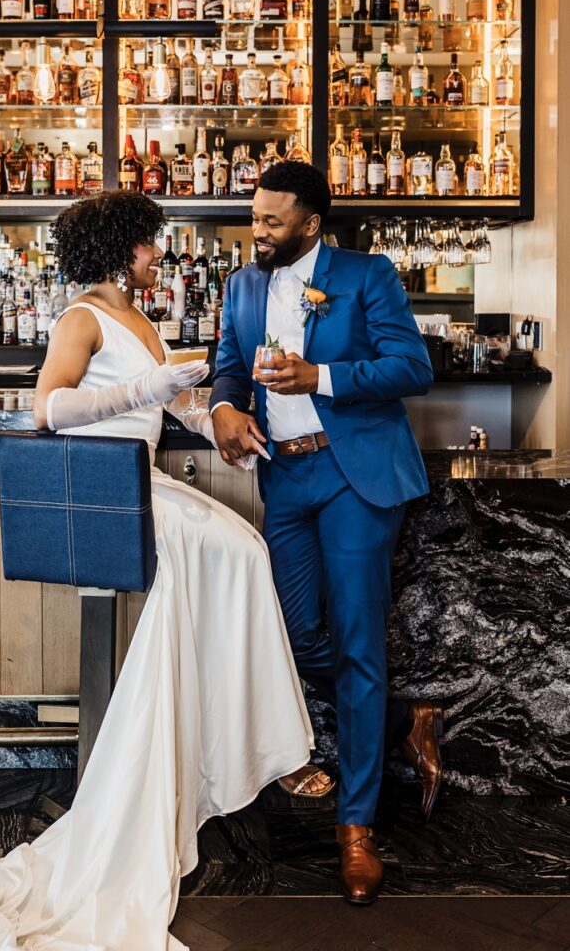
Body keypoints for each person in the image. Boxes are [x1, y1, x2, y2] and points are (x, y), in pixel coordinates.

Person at [0, 190, 319, 951]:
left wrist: (212, 417)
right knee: (232, 551)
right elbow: (48, 409)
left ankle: (238, 740)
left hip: (146, 478)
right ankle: (235, 747)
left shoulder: (138, 314)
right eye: (147, 243)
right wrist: (148, 387)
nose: (157, 253)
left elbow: (166, 405)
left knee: (243, 549)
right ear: (117, 245)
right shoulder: (82, 317)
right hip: (108, 487)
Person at [210, 161, 444, 906]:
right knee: (297, 635)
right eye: (255, 217)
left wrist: (322, 377)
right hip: (284, 477)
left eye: (271, 222)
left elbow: (411, 366)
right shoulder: (242, 284)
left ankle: (356, 828)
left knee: (356, 642)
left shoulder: (365, 272)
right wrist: (223, 411)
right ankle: (407, 718)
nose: (258, 231)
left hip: (355, 477)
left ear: (310, 224)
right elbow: (226, 367)